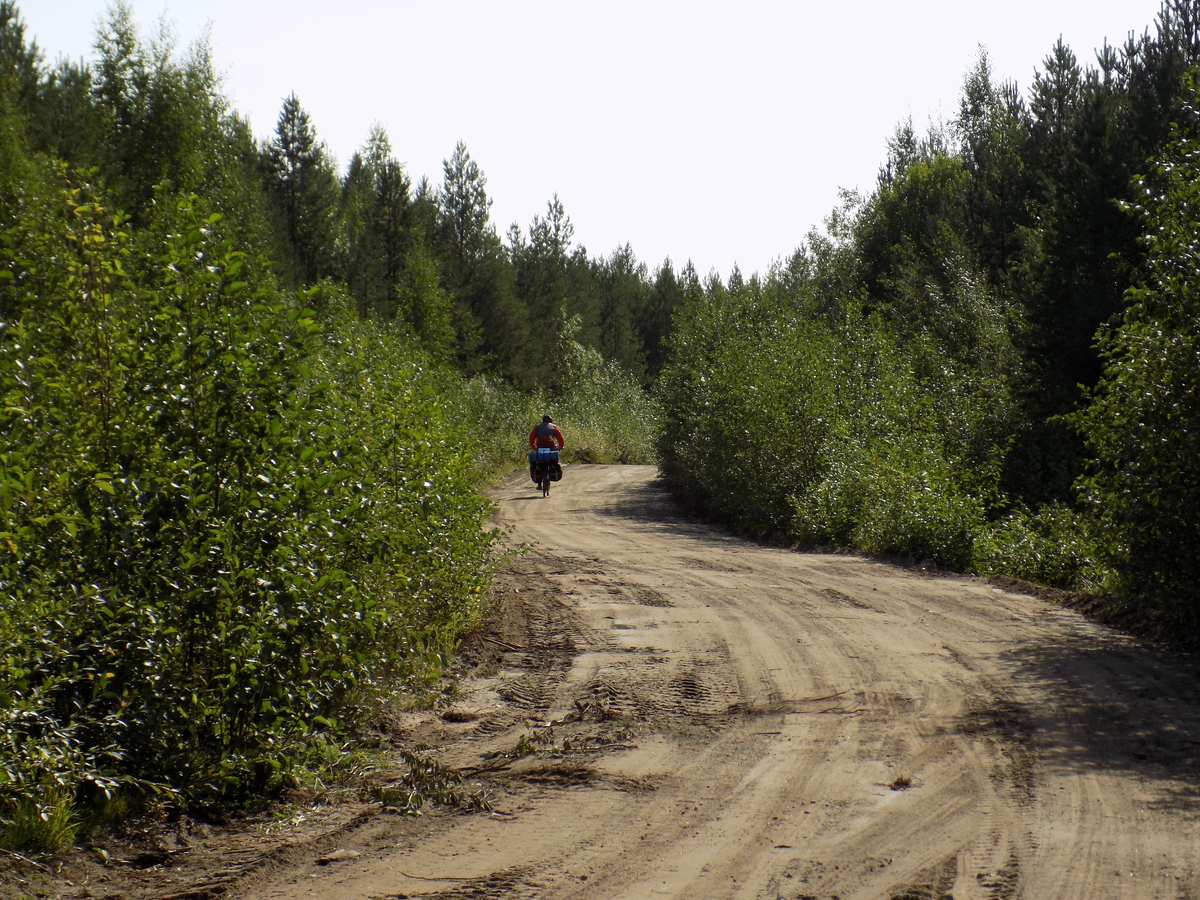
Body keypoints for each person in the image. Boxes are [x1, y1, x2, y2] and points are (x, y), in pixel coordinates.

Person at [528, 415, 564, 484]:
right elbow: (560, 438)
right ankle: (553, 470)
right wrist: (560, 447)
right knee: (554, 460)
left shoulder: (537, 427)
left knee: (538, 462)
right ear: (551, 421)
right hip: (550, 446)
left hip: (540, 446)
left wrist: (534, 447)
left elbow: (531, 438)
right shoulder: (554, 426)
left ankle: (539, 483)